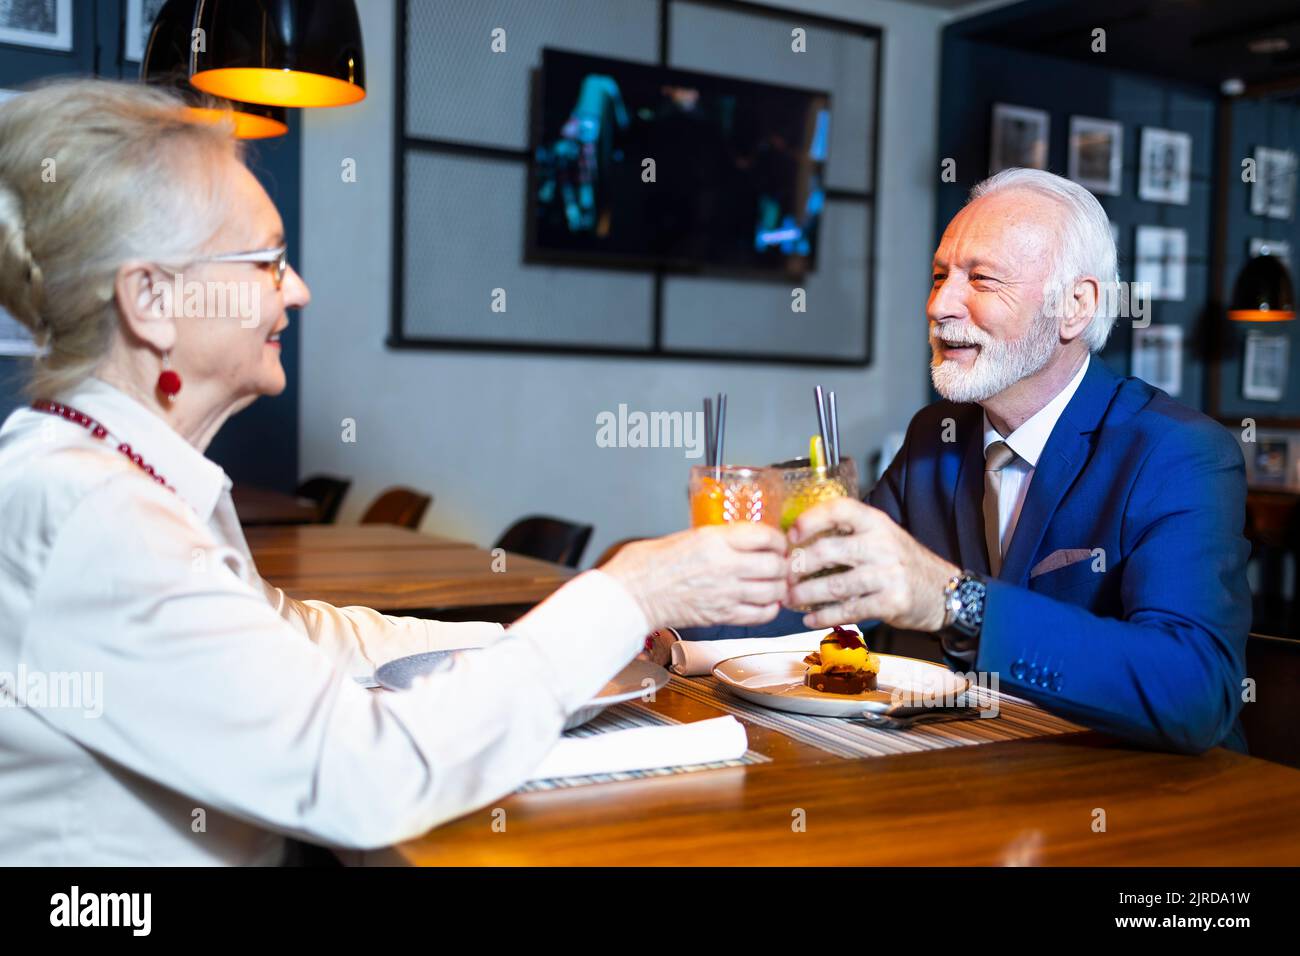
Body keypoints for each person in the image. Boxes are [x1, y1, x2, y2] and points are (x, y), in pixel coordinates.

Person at [0, 80, 790, 864]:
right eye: (269, 263)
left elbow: (298, 635)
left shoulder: (114, 474)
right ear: (150, 298)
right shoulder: (90, 513)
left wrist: (534, 634)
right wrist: (630, 591)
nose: (298, 291)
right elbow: (358, 779)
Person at [681, 168, 1251, 756]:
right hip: (983, 775)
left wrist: (954, 601)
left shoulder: (1178, 452)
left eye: (980, 279)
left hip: (1152, 808)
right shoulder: (938, 434)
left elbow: (1196, 691)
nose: (939, 304)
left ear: (1076, 306)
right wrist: (653, 610)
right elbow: (838, 594)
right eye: (939, 276)